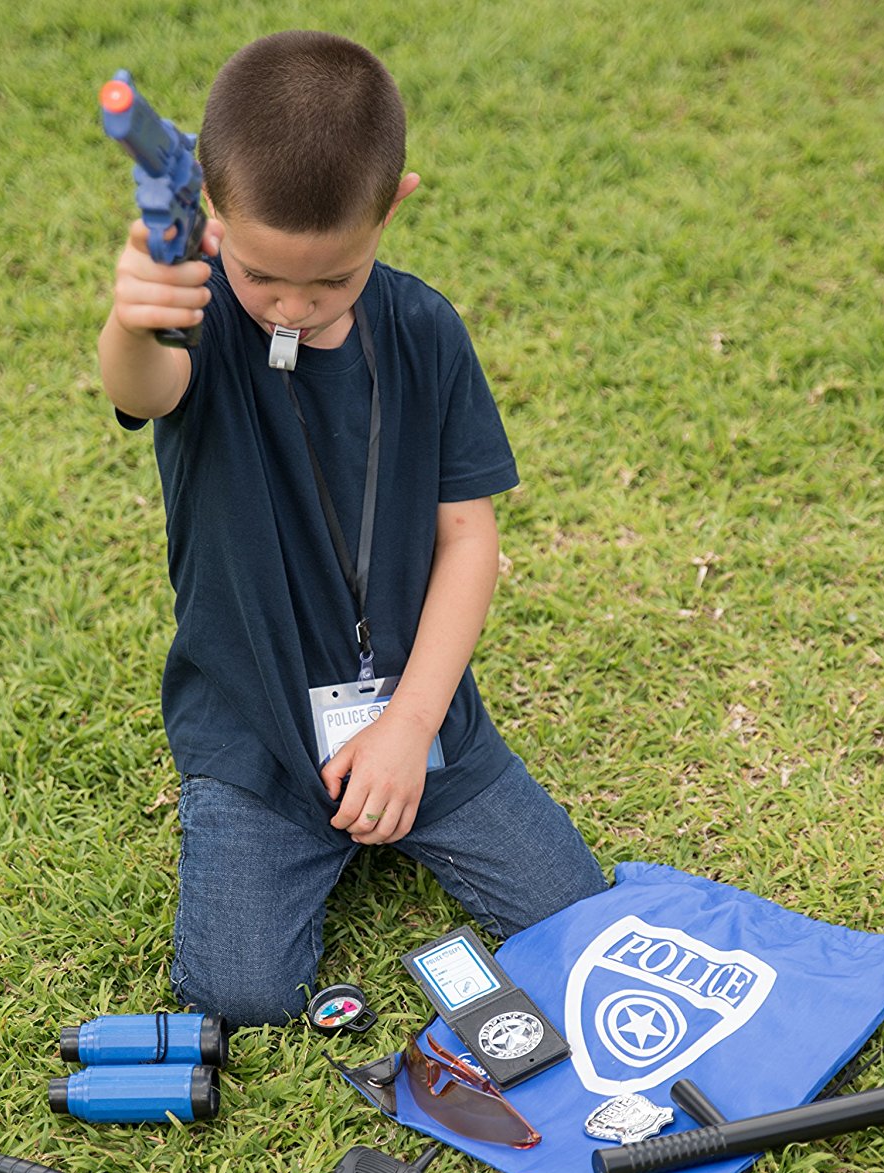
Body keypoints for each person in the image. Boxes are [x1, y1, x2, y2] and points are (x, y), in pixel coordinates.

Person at [98, 30, 607, 1029]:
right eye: (263, 277)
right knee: (240, 993)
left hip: (422, 720)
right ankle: (311, 823)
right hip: (257, 736)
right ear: (210, 216)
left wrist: (411, 726)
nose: (294, 307)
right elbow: (143, 388)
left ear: (394, 206)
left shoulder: (425, 333)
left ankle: (399, 785)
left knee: (577, 917)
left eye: (332, 281)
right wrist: (134, 320)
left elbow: (470, 540)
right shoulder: (193, 320)